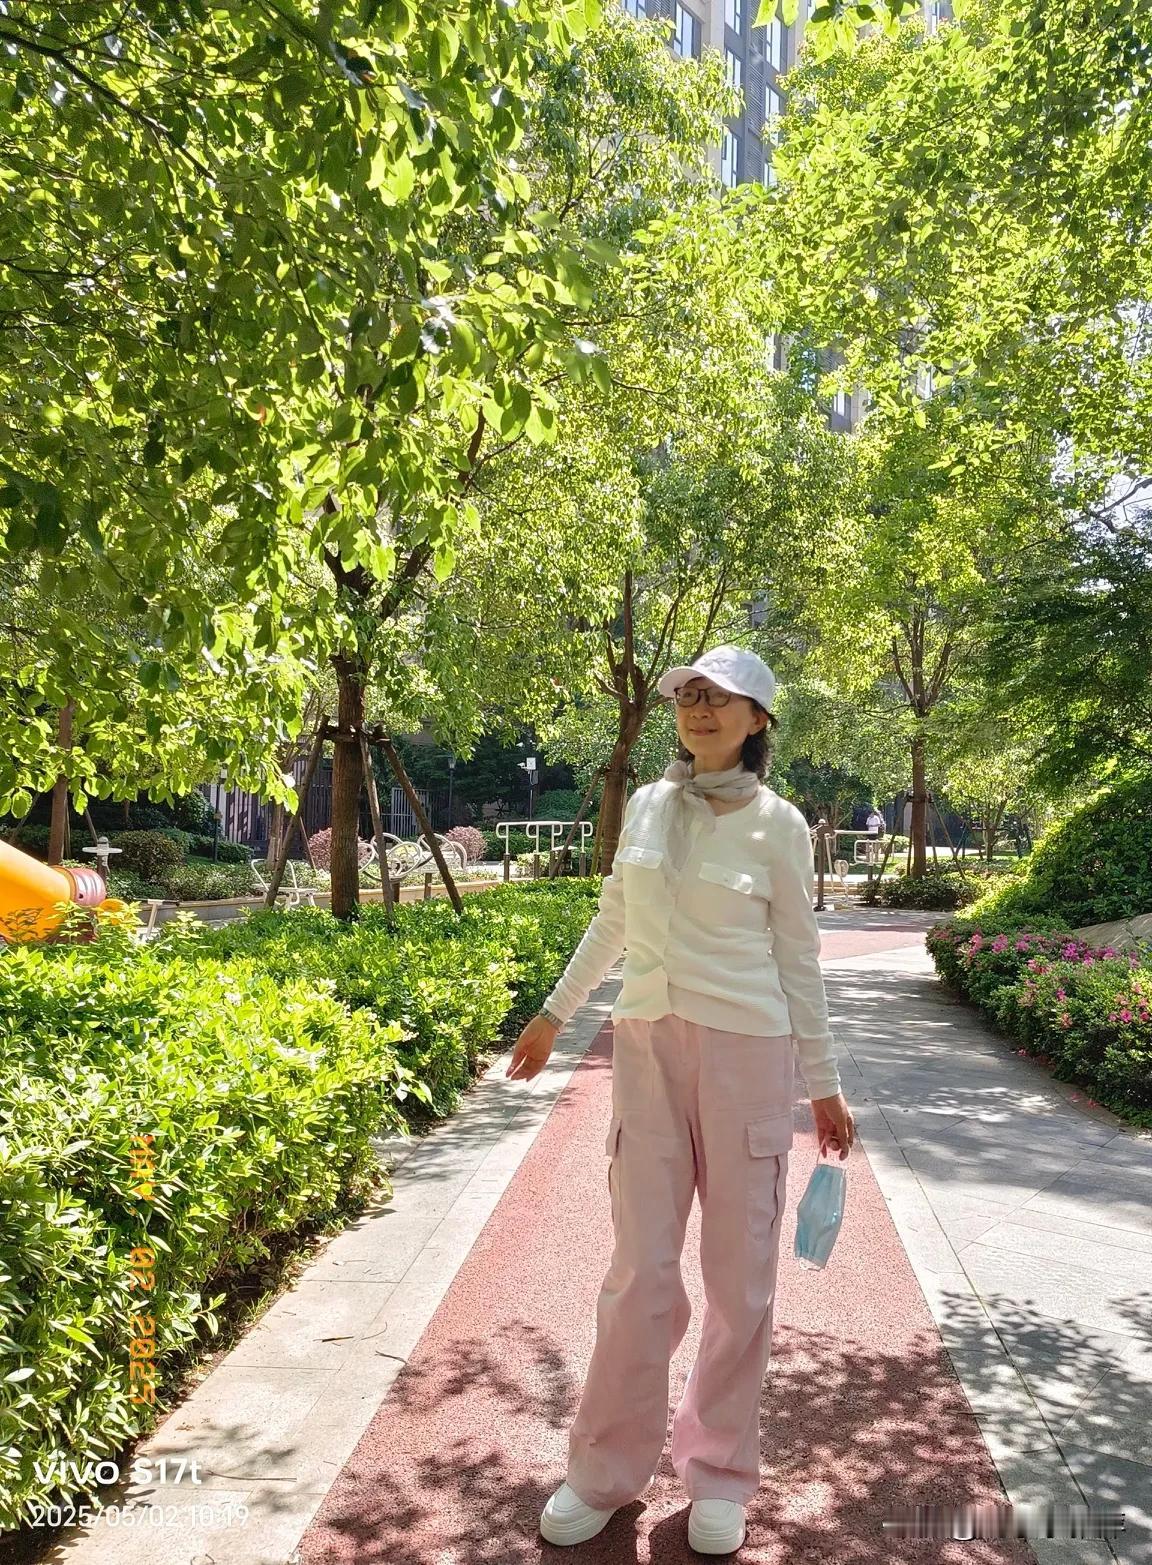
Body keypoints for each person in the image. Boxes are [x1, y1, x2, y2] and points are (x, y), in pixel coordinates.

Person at [505, 645, 855, 1556]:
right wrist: (554, 1012)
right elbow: (614, 917)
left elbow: (800, 959)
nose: (700, 709)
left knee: (741, 1276)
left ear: (758, 720)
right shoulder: (648, 806)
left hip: (748, 1052)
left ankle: (720, 1471)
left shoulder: (780, 825)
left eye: (721, 698)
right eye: (690, 695)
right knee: (640, 1270)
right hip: (647, 1048)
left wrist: (824, 1084)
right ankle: (603, 1468)